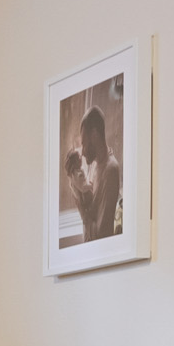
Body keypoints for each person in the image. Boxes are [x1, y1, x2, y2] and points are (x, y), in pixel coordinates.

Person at [63, 105, 120, 245]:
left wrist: (81, 209)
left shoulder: (110, 170)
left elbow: (101, 236)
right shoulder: (94, 164)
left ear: (94, 135)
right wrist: (73, 181)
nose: (82, 152)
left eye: (84, 143)